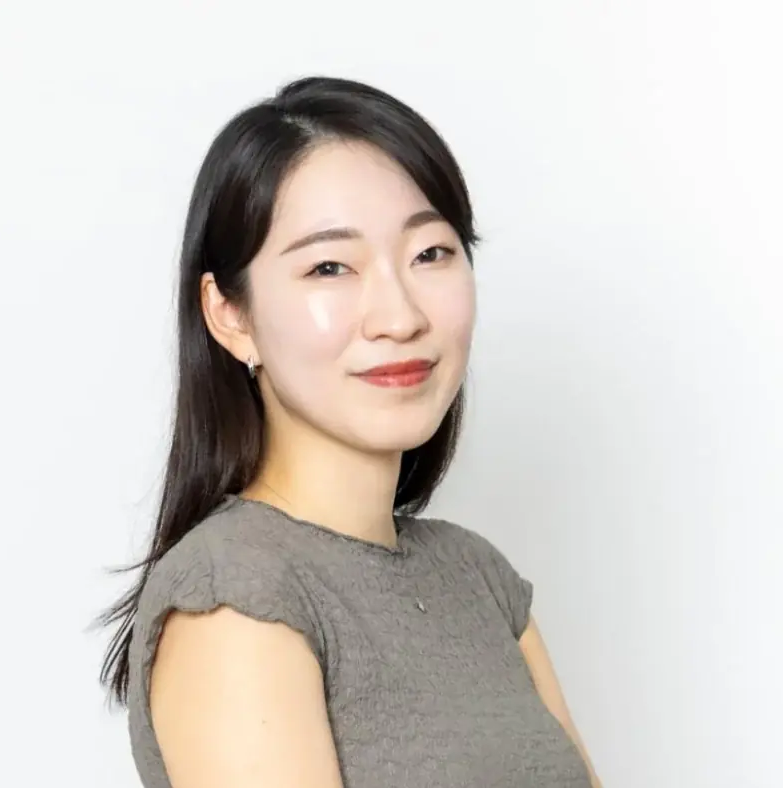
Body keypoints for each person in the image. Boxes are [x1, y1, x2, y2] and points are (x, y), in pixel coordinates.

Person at [98, 75, 602, 788]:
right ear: (230, 316)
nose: (400, 317)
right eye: (329, 267)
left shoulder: (476, 577)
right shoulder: (238, 591)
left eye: (430, 253)